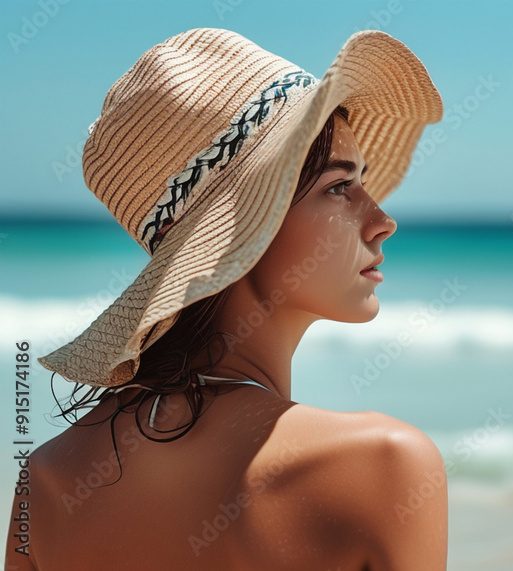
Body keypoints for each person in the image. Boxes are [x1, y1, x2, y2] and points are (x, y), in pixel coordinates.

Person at [5, 28, 447, 570]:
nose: (382, 221)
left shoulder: (48, 480)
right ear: (246, 228)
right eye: (338, 187)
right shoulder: (381, 463)